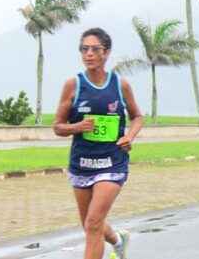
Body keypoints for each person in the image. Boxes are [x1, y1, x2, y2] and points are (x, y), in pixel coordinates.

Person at [53, 28, 144, 259]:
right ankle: (117, 240)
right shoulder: (73, 85)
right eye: (84, 49)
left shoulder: (120, 85)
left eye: (95, 49)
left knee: (93, 222)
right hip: (82, 163)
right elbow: (58, 126)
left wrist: (129, 136)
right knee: (89, 223)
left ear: (107, 52)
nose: (89, 54)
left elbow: (137, 116)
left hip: (112, 162)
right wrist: (77, 127)